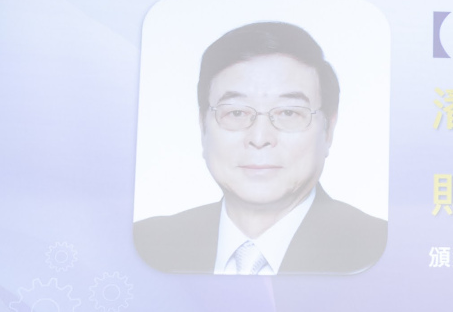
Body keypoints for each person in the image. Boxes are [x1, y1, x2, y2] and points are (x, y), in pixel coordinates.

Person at [133, 21, 386, 275]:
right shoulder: (146, 246)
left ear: (328, 130)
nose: (259, 137)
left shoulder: (379, 250)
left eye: (288, 112)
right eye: (236, 112)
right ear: (203, 127)